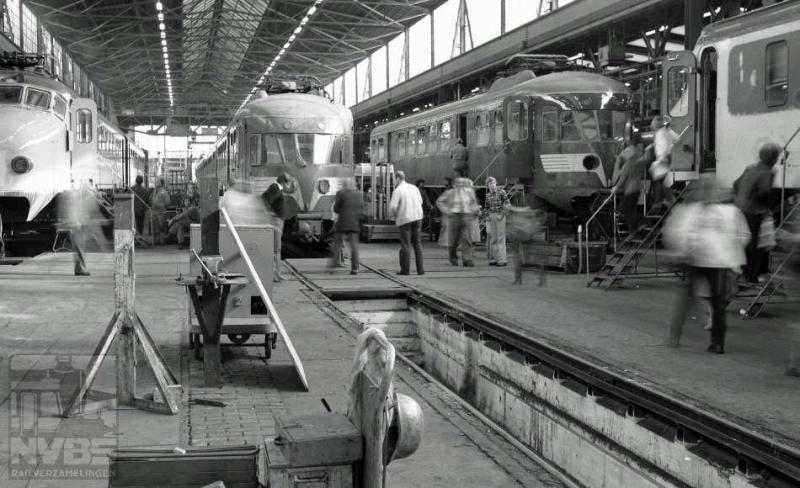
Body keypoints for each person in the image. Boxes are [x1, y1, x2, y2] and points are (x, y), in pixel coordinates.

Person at [663, 178, 750, 354]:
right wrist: (731, 253)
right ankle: (716, 343)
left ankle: (676, 335)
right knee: (715, 302)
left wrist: (682, 251)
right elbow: (744, 235)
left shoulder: (689, 211)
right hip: (713, 262)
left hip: (703, 261)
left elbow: (675, 233)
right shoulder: (730, 212)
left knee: (689, 298)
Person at [734, 142, 781, 283]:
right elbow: (765, 193)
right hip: (754, 211)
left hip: (741, 209)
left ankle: (744, 272)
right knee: (758, 244)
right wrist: (770, 207)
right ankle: (753, 275)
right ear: (772, 158)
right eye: (776, 157)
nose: (777, 160)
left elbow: (736, 184)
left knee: (746, 242)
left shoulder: (750, 169)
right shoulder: (766, 172)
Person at [437, 168, 480, 267]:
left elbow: (474, 203)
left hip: (466, 216)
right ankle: (453, 258)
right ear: (455, 184)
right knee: (453, 239)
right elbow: (439, 201)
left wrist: (474, 210)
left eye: (462, 183)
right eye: (458, 183)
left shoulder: (469, 192)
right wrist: (447, 211)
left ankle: (467, 259)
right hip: (454, 217)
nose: (461, 185)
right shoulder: (450, 192)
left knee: (466, 238)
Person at [388, 170, 424, 276]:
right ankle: (420, 270)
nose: (393, 182)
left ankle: (405, 270)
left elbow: (393, 206)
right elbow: (421, 201)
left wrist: (392, 216)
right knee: (418, 244)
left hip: (405, 219)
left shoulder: (398, 190)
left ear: (398, 178)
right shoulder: (414, 188)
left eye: (393, 179)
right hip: (418, 218)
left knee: (406, 245)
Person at [329, 179, 363, 275]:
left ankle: (333, 266)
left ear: (345, 185)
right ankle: (355, 268)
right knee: (354, 246)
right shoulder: (359, 194)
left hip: (342, 223)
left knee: (337, 245)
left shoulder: (341, 193)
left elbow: (336, 209)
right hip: (354, 223)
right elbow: (361, 209)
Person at [262, 173, 291, 282]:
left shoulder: (275, 188)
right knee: (276, 248)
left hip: (277, 221)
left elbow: (264, 198)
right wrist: (270, 214)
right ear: (283, 182)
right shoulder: (275, 188)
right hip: (276, 221)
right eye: (287, 184)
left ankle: (278, 274)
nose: (288, 186)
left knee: (277, 248)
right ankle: (275, 275)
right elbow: (266, 202)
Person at [613, 140, 645, 232]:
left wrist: (616, 188)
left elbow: (622, 178)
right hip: (636, 190)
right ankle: (638, 226)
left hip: (629, 191)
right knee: (632, 210)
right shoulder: (636, 163)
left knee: (624, 209)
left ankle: (637, 226)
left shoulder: (627, 165)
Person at [649, 116, 680, 213]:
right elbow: (677, 138)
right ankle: (666, 200)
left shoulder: (660, 134)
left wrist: (659, 160)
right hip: (668, 157)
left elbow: (662, 147)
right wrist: (669, 129)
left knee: (658, 180)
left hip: (663, 158)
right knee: (661, 181)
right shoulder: (666, 131)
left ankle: (661, 202)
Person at [484, 176, 510, 266]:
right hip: (492, 216)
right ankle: (496, 258)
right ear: (487, 185)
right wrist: (487, 216)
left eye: (494, 183)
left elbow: (507, 204)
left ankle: (502, 260)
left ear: (496, 183)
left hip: (500, 216)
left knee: (500, 239)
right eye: (490, 183)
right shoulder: (488, 195)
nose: (492, 185)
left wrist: (502, 214)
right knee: (493, 239)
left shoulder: (501, 192)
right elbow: (486, 207)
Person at [150, 178, 171, 245]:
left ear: (161, 183)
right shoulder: (154, 191)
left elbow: (168, 202)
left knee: (161, 226)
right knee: (155, 227)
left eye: (157, 181)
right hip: (154, 212)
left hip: (161, 212)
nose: (155, 182)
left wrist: (161, 205)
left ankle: (162, 241)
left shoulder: (164, 192)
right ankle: (156, 240)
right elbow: (151, 199)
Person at [436, 177, 453, 246]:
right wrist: (446, 210)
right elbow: (439, 201)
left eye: (445, 181)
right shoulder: (448, 190)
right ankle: (446, 242)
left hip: (451, 212)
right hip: (448, 212)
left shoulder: (450, 190)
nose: (444, 182)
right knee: (446, 228)